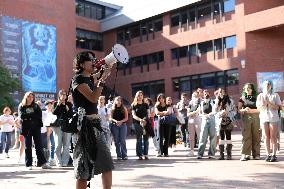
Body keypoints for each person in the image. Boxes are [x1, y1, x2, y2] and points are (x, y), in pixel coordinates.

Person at [71, 51, 114, 189]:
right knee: (83, 170)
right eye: (91, 60)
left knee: (106, 164)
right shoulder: (78, 80)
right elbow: (93, 98)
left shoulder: (89, 78)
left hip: (96, 125)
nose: (94, 61)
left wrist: (107, 68)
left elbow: (98, 76)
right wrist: (101, 81)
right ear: (82, 64)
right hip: (83, 127)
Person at [18, 91, 51, 170]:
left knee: (39, 145)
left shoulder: (36, 105)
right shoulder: (22, 105)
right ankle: (28, 164)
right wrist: (32, 114)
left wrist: (28, 115)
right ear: (26, 97)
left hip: (36, 127)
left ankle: (42, 163)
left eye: (32, 97)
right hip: (26, 128)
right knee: (27, 146)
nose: (30, 98)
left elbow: (39, 115)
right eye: (29, 97)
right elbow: (22, 116)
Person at [256, 80, 282, 162]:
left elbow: (278, 107)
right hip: (264, 118)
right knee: (266, 137)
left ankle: (274, 155)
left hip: (273, 117)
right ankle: (268, 154)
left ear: (271, 86)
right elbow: (258, 108)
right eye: (266, 85)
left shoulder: (275, 95)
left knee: (273, 136)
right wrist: (263, 105)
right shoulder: (260, 96)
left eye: (269, 85)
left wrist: (269, 103)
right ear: (263, 86)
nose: (267, 86)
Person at [238, 83, 260, 161]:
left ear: (252, 89)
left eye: (249, 88)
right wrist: (244, 110)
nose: (247, 89)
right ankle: (245, 154)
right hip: (246, 118)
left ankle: (256, 154)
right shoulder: (242, 98)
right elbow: (239, 109)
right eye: (246, 88)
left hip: (256, 117)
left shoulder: (257, 97)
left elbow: (260, 109)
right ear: (244, 89)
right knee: (246, 136)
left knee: (256, 136)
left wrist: (251, 110)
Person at [52, 89, 73, 167]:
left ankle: (65, 161)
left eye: (65, 95)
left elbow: (71, 115)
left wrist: (67, 108)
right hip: (58, 125)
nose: (64, 96)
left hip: (67, 125)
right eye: (62, 94)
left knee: (67, 144)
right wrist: (58, 104)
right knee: (58, 144)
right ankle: (58, 161)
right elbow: (54, 112)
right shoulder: (55, 103)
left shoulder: (69, 104)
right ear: (59, 95)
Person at [215, 88, 236, 160]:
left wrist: (228, 113)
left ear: (225, 93)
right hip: (220, 122)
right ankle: (221, 155)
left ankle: (229, 155)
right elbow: (214, 112)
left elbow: (234, 111)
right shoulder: (216, 101)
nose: (221, 93)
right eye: (220, 92)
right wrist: (220, 113)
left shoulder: (230, 101)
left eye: (222, 92)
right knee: (221, 138)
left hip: (228, 121)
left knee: (228, 137)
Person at [197, 90, 216, 159]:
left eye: (207, 94)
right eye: (205, 94)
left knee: (213, 137)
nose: (206, 95)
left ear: (209, 94)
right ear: (203, 95)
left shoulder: (213, 102)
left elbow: (215, 111)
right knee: (203, 137)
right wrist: (203, 115)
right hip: (204, 120)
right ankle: (200, 154)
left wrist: (210, 114)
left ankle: (211, 154)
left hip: (212, 119)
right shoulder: (201, 103)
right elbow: (199, 113)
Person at [131, 91, 150, 160]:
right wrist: (140, 120)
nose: (140, 96)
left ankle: (146, 154)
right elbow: (133, 115)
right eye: (138, 95)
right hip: (137, 123)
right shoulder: (133, 105)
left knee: (146, 139)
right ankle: (139, 154)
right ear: (136, 96)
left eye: (141, 95)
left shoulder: (146, 104)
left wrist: (144, 120)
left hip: (146, 123)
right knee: (139, 139)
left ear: (143, 96)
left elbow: (148, 114)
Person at [110, 96, 129, 160]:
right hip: (115, 125)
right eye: (117, 100)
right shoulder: (112, 109)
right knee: (116, 141)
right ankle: (119, 155)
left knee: (122, 140)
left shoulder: (124, 108)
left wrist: (121, 121)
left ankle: (124, 155)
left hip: (123, 125)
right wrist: (116, 121)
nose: (119, 101)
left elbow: (126, 118)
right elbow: (110, 118)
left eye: (120, 100)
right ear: (115, 101)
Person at [187, 91, 201, 156]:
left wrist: (191, 113)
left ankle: (201, 151)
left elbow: (198, 111)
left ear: (198, 97)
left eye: (195, 96)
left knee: (199, 136)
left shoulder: (200, 103)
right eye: (193, 96)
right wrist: (194, 112)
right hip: (190, 121)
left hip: (197, 120)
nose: (194, 97)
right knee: (191, 136)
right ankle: (191, 151)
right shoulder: (190, 104)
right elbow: (187, 114)